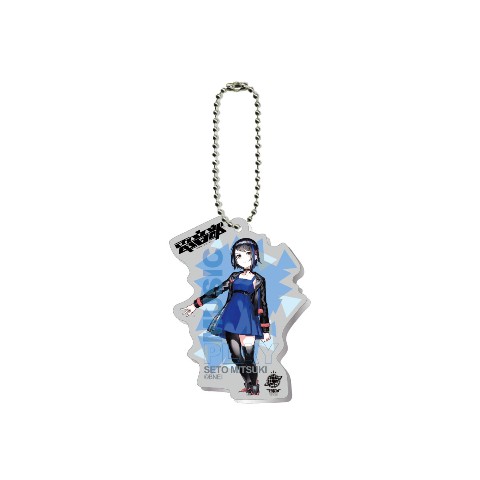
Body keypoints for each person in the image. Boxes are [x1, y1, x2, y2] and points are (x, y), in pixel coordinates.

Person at [182, 238, 270, 395]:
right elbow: (216, 291)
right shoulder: (234, 277)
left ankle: (254, 385)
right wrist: (195, 305)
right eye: (238, 256)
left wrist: (265, 329)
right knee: (236, 356)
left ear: (255, 255)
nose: (242, 258)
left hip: (248, 321)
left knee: (248, 357)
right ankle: (248, 382)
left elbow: (262, 305)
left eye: (247, 253)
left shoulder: (258, 280)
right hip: (230, 319)